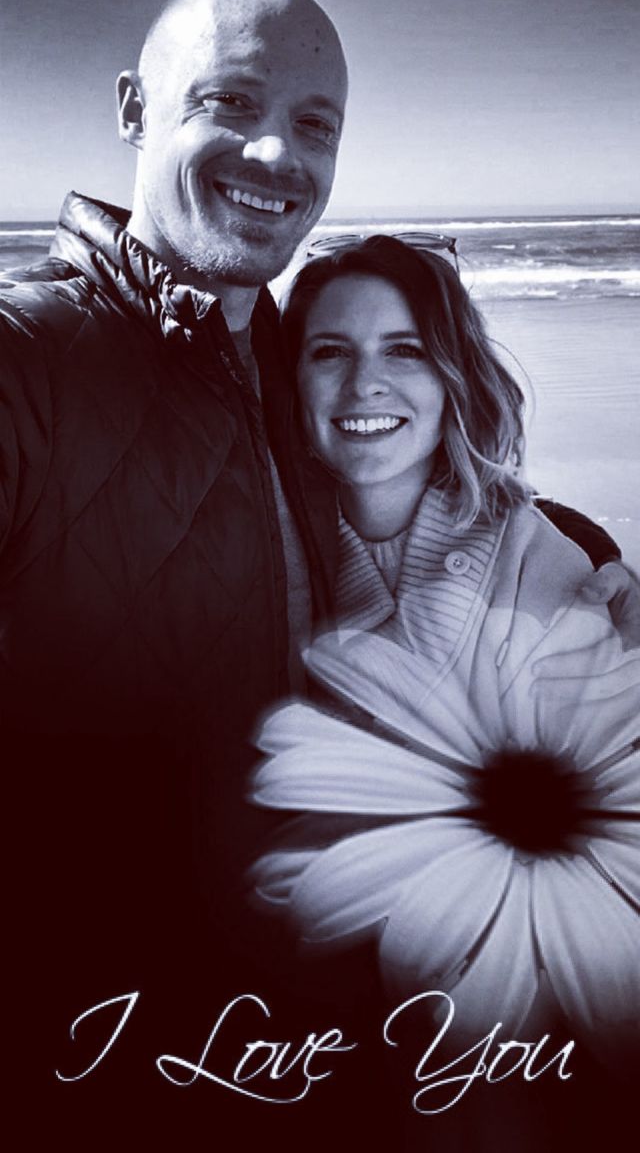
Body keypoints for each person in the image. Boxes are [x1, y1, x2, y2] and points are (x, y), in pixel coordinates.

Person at [0, 0, 635, 1140]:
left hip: (332, 1034)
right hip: (103, 1042)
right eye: (229, 101)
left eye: (313, 122)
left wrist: (584, 551)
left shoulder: (268, 361)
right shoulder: (31, 360)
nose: (274, 153)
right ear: (133, 109)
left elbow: (425, 485)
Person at [251, 233, 640, 1151]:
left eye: (406, 350)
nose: (365, 385)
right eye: (330, 352)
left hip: (523, 984)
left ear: (452, 376)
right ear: (291, 381)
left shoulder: (551, 562)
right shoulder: (257, 556)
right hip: (304, 995)